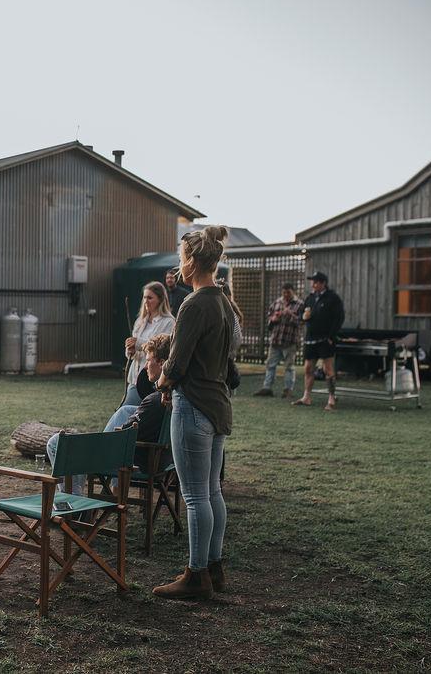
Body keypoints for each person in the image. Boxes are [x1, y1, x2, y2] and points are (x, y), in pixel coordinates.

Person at [153, 225, 236, 600]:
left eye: (181, 257)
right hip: (218, 405)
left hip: (194, 406)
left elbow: (178, 362)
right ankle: (214, 567)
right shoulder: (223, 302)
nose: (178, 265)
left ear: (192, 262)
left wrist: (162, 383)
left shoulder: (193, 303)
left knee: (194, 496)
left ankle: (196, 575)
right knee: (212, 492)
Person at [48, 333, 171, 495]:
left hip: (124, 458)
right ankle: (75, 498)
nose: (145, 366)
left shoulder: (155, 401)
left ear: (162, 363)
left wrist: (100, 441)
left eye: (148, 361)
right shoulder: (171, 397)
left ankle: (73, 501)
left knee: (56, 442)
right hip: (154, 458)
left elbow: (122, 436)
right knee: (126, 410)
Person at [293, 272, 345, 411]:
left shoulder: (333, 298)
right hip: (311, 339)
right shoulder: (310, 298)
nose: (313, 284)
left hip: (325, 339)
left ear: (323, 283)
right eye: (312, 282)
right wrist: (303, 317)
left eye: (315, 282)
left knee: (328, 369)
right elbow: (301, 314)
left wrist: (331, 336)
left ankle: (331, 398)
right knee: (308, 368)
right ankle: (306, 397)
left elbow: (339, 318)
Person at [124, 282, 175, 406]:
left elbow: (163, 348)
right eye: (144, 297)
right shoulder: (140, 321)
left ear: (160, 299)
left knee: (127, 411)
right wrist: (130, 350)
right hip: (135, 377)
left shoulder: (168, 322)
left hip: (153, 379)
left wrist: (139, 343)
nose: (146, 301)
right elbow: (133, 353)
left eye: (150, 297)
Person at [254, 283, 303, 398]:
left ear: (293, 292)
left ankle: (288, 390)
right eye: (284, 292)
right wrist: (274, 318)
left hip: (290, 341)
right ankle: (267, 388)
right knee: (270, 365)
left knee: (289, 367)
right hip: (275, 340)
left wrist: (290, 314)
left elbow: (302, 322)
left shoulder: (300, 304)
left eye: (288, 292)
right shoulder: (277, 302)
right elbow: (269, 320)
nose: (285, 295)